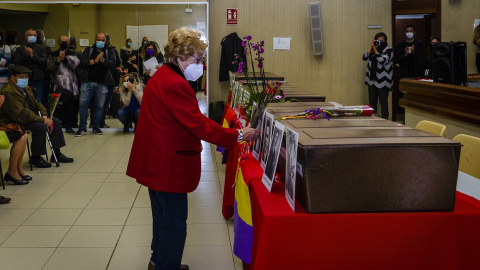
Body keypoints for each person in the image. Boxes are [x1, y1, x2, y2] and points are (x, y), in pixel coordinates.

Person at [126, 27, 259, 270]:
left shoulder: (162, 76)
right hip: (167, 166)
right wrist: (238, 134)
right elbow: (199, 125)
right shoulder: (175, 83)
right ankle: (167, 266)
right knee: (174, 221)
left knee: (162, 218)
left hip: (155, 162)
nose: (200, 65)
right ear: (179, 57)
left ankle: (158, 261)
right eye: (197, 59)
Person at [0, 65, 73, 168]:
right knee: (40, 126)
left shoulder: (25, 88)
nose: (25, 79)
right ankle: (35, 157)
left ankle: (57, 153)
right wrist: (41, 120)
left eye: (26, 77)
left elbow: (36, 103)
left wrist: (44, 115)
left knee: (54, 121)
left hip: (29, 117)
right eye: (22, 77)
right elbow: (21, 113)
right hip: (14, 121)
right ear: (13, 78)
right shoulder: (8, 92)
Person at [76, 32, 116, 136]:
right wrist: (95, 60)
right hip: (87, 82)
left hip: (102, 83)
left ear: (106, 41)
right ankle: (82, 127)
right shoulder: (89, 49)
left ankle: (96, 127)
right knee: (83, 104)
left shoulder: (109, 49)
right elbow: (83, 62)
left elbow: (113, 64)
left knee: (99, 106)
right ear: (95, 40)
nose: (100, 42)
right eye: (99, 39)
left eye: (103, 40)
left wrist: (101, 60)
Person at [47, 35, 80, 134]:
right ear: (58, 42)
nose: (64, 43)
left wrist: (65, 58)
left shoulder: (74, 53)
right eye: (62, 41)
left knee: (70, 106)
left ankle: (69, 125)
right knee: (56, 106)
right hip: (57, 83)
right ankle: (56, 125)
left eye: (66, 41)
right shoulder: (53, 54)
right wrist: (58, 60)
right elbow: (50, 68)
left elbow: (76, 66)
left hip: (71, 84)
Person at [0, 93, 30, 189]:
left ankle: (17, 168)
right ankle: (11, 171)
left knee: (23, 135)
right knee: (20, 137)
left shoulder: (26, 90)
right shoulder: (8, 91)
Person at [362, 32, 393, 119]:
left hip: (383, 81)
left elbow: (382, 60)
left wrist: (375, 50)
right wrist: (372, 47)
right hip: (372, 80)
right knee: (372, 102)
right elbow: (364, 57)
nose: (379, 43)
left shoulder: (389, 50)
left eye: (381, 41)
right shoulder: (373, 50)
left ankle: (385, 120)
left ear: (385, 41)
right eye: (377, 41)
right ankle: (373, 120)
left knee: (383, 102)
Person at [13, 29, 48, 106]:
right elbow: (16, 63)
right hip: (23, 80)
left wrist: (32, 56)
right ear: (25, 37)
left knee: (38, 102)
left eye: (34, 35)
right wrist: (25, 55)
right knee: (23, 101)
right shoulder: (20, 48)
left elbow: (44, 62)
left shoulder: (41, 48)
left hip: (38, 79)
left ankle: (38, 117)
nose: (32, 37)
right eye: (30, 35)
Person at [99, 33, 121, 129]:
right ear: (108, 41)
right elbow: (118, 63)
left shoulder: (94, 50)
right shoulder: (112, 50)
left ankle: (94, 122)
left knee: (97, 103)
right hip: (109, 80)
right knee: (105, 103)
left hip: (98, 79)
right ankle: (101, 122)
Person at [36, 29, 52, 111]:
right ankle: (45, 115)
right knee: (44, 98)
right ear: (42, 38)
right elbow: (48, 63)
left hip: (33, 77)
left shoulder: (29, 48)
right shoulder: (47, 49)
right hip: (45, 76)